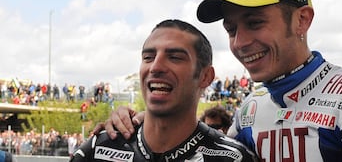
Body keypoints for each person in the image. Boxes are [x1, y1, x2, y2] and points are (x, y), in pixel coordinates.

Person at [97, 0, 342, 161]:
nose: (239, 42)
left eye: (255, 23)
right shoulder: (250, 110)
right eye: (231, 29)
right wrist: (146, 123)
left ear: (302, 20)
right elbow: (206, 146)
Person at [71, 19, 257, 162]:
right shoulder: (99, 148)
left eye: (175, 57)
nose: (155, 67)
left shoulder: (232, 158)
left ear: (205, 77)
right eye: (148, 57)